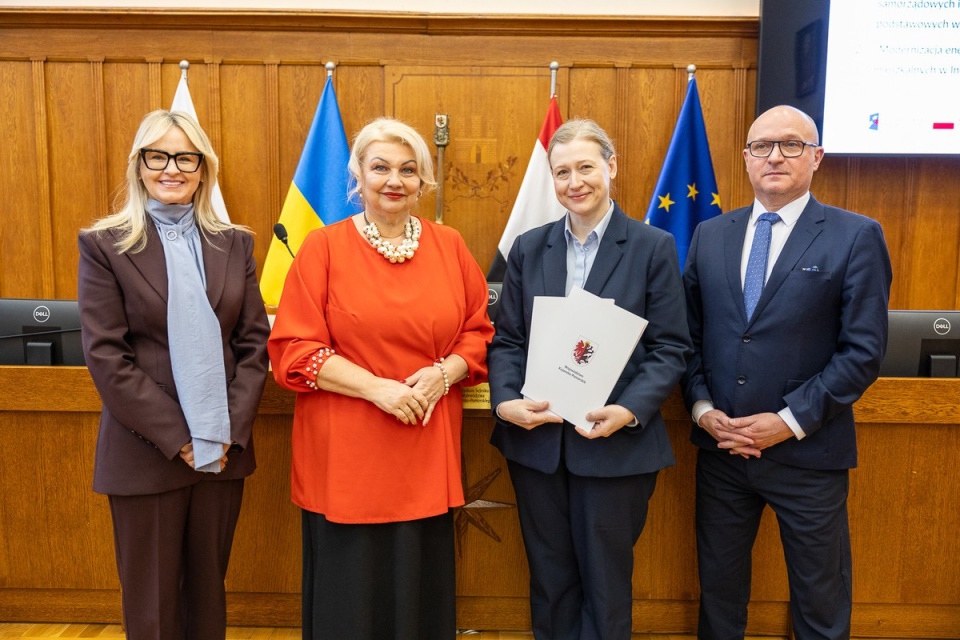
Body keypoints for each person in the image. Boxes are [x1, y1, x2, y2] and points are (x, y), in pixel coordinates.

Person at [267, 117, 494, 639]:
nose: (394, 180)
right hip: (347, 453)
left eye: (408, 170)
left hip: (424, 443)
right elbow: (294, 350)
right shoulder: (322, 248)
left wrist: (443, 374)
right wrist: (378, 389)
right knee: (352, 600)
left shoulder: (451, 245)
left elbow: (479, 333)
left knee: (419, 592)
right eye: (380, 167)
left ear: (422, 182)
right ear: (358, 177)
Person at [682, 105, 893, 639]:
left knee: (820, 602)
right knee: (720, 598)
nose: (775, 156)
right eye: (762, 146)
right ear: (747, 158)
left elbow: (863, 352)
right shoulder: (711, 235)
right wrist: (704, 411)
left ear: (817, 157)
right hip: (723, 452)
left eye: (791, 145)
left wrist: (788, 421)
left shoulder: (854, 235)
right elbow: (686, 338)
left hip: (808, 454)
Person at [487, 118, 691, 640]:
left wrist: (630, 409)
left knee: (605, 585)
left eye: (585, 167)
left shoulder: (652, 247)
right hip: (537, 446)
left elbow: (671, 347)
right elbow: (507, 340)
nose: (573, 182)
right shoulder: (530, 249)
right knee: (550, 583)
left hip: (615, 447)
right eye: (561, 172)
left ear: (611, 167)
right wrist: (506, 400)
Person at [77, 109, 271, 638]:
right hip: (146, 450)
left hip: (223, 452)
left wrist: (223, 430)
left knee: (208, 595)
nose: (171, 168)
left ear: (203, 168)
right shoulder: (105, 245)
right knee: (154, 607)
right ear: (139, 166)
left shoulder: (235, 243)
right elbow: (107, 356)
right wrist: (182, 438)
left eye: (186, 156)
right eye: (157, 156)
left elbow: (254, 344)